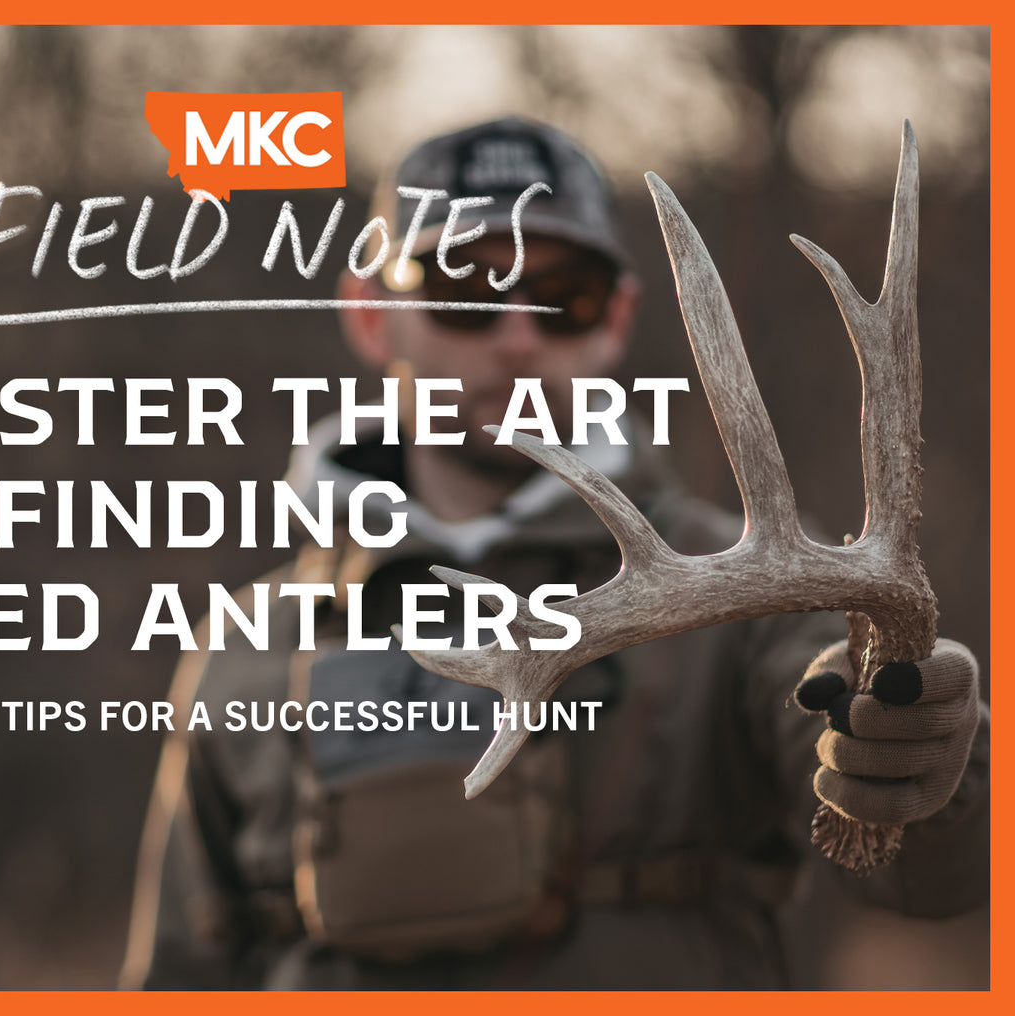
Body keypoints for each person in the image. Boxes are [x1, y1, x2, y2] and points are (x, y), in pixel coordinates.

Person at [119, 117, 989, 990]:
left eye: (563, 292)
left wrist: (919, 748)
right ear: (372, 315)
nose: (518, 334)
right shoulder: (246, 647)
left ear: (614, 319)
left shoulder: (753, 596)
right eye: (463, 286)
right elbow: (178, 976)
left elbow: (926, 868)